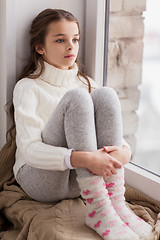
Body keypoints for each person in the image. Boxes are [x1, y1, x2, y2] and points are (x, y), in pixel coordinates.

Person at [12, 9, 152, 240]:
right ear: (40, 47)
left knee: (106, 94)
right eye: (60, 40)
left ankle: (115, 204)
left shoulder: (86, 83)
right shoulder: (28, 87)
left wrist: (123, 153)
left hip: (81, 181)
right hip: (40, 180)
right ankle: (98, 209)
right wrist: (83, 158)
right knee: (77, 98)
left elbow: (113, 139)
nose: (71, 46)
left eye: (75, 39)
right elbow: (30, 150)